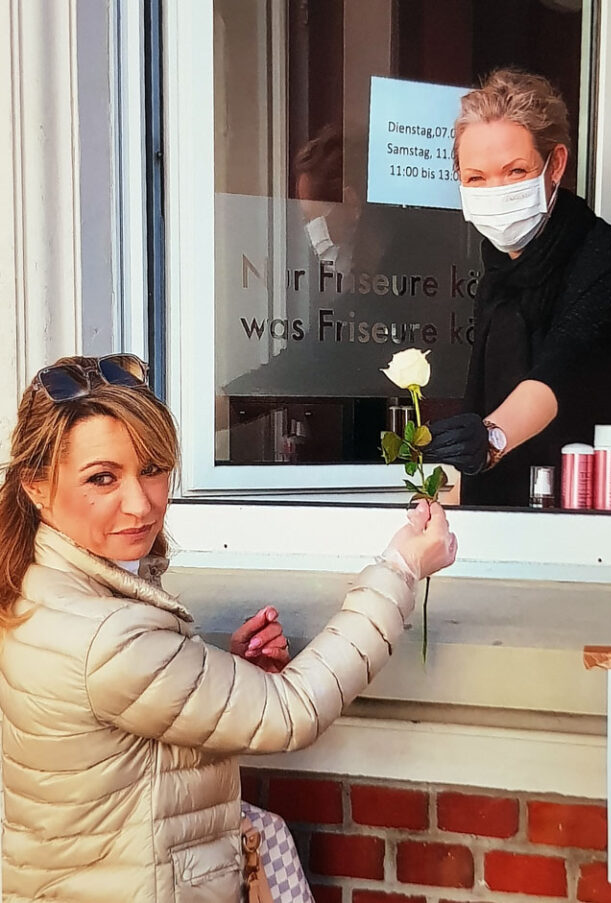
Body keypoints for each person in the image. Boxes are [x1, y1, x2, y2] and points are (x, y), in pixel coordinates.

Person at [0, 354, 457, 902]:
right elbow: (292, 712)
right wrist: (401, 569)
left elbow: (128, 724)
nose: (141, 503)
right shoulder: (105, 635)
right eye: (102, 478)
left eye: (152, 467)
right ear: (36, 487)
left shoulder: (32, 583)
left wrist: (217, 669)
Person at [424, 68, 611, 513]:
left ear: (555, 165)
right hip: (533, 521)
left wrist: (490, 437)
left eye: (515, 170)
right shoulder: (499, 276)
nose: (496, 190)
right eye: (476, 178)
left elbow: (557, 375)